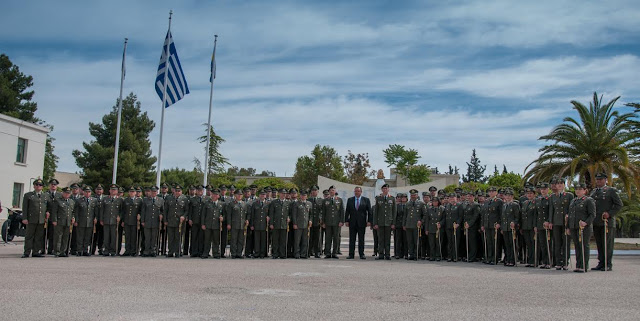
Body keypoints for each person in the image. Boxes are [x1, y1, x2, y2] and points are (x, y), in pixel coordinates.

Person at [590, 172, 623, 271]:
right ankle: (601, 263)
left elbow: (619, 204)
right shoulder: (593, 192)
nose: (599, 181)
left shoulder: (611, 191)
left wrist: (610, 213)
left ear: (605, 180)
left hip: (607, 222)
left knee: (607, 244)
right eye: (597, 179)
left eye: (601, 179)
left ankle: (608, 264)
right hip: (596, 222)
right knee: (599, 244)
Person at [567, 183, 596, 273]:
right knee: (577, 246)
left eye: (580, 189)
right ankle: (578, 265)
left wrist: (586, 222)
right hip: (574, 227)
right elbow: (570, 215)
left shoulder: (588, 200)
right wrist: (568, 227)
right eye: (576, 189)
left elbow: (592, 214)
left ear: (584, 190)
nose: (578, 191)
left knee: (583, 245)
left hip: (584, 227)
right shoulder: (573, 201)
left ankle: (584, 265)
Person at [21, 179, 49, 258]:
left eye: (40, 185)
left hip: (41, 219)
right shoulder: (28, 195)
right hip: (31, 219)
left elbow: (48, 207)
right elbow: (25, 207)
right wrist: (24, 218)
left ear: (42, 187)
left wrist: (48, 212)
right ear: (34, 186)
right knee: (29, 236)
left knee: (38, 237)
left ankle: (36, 252)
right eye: (36, 185)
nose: (38, 186)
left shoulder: (45, 196)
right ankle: (27, 252)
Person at [550, 177, 574, 270]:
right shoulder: (553, 196)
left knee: (566, 243)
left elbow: (571, 208)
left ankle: (565, 262)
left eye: (561, 183)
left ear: (564, 185)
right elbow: (552, 210)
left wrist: (569, 218)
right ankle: (558, 262)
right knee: (557, 243)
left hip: (565, 222)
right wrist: (551, 221)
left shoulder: (569, 195)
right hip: (556, 222)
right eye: (558, 183)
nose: (559, 185)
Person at [344, 186, 371, 260]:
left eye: (358, 191)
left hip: (362, 223)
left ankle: (361, 254)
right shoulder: (350, 200)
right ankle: (351, 254)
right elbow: (347, 211)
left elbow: (369, 211)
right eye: (355, 191)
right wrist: (346, 220)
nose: (357, 192)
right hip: (352, 222)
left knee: (361, 239)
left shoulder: (366, 200)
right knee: (352, 239)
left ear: (361, 192)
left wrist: (369, 221)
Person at [373, 184, 396, 260]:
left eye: (386, 188)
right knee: (380, 239)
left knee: (387, 239)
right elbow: (376, 212)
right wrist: (375, 223)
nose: (385, 190)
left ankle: (387, 254)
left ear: (388, 189)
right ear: (382, 190)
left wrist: (393, 223)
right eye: (383, 189)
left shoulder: (392, 199)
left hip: (388, 222)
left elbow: (394, 212)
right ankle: (381, 254)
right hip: (380, 222)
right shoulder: (379, 199)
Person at [51, 187, 75, 257]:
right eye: (66, 193)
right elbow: (54, 211)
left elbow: (73, 211)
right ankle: (57, 251)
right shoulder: (58, 201)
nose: (67, 194)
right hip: (59, 221)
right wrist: (54, 220)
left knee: (65, 237)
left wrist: (73, 217)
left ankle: (63, 251)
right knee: (58, 237)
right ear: (63, 193)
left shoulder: (71, 201)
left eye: (68, 193)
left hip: (68, 222)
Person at [321, 185, 344, 259]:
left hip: (337, 222)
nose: (332, 191)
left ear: (335, 191)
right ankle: (327, 253)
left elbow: (342, 211)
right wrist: (323, 222)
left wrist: (341, 221)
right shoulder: (325, 200)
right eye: (330, 190)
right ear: (329, 191)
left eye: (333, 190)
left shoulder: (339, 200)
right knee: (328, 238)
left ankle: (334, 253)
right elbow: (323, 212)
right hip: (328, 222)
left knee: (336, 238)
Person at [74, 186, 98, 256]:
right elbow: (76, 212)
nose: (87, 193)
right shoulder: (79, 200)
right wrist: (76, 220)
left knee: (87, 237)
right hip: (81, 221)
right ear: (83, 192)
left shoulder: (94, 200)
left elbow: (96, 211)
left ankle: (85, 250)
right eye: (86, 192)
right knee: (80, 237)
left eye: (89, 192)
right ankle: (79, 250)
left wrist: (96, 218)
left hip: (90, 222)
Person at [225, 189, 249, 259]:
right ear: (235, 195)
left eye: (241, 194)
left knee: (241, 240)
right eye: (238, 194)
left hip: (242, 225)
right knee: (234, 239)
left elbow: (247, 213)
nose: (239, 196)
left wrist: (247, 220)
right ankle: (233, 253)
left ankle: (239, 253)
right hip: (234, 224)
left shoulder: (244, 204)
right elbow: (229, 215)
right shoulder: (231, 204)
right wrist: (229, 223)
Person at [140, 186, 164, 257]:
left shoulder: (160, 200)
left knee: (154, 237)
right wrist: (142, 221)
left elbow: (163, 210)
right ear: (150, 192)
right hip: (147, 221)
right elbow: (143, 211)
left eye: (155, 192)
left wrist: (161, 215)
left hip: (155, 222)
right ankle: (146, 251)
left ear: (157, 192)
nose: (154, 193)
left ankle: (153, 251)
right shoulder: (146, 200)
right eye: (153, 192)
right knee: (147, 237)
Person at [201, 188, 224, 259]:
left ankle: (216, 253)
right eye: (213, 194)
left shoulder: (222, 204)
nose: (214, 196)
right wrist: (203, 224)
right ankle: (205, 253)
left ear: (219, 196)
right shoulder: (207, 203)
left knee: (216, 240)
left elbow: (225, 214)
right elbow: (203, 214)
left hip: (216, 225)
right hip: (208, 224)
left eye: (216, 194)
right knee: (207, 240)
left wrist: (223, 218)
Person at [482, 187, 502, 265]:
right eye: (490, 191)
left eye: (493, 191)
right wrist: (483, 224)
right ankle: (489, 257)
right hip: (487, 224)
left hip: (494, 225)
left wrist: (499, 223)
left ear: (496, 193)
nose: (491, 193)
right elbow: (484, 214)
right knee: (489, 242)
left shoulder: (499, 201)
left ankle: (495, 258)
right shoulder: (486, 201)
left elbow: (501, 213)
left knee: (495, 242)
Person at [100, 184, 122, 256]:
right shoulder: (105, 199)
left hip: (115, 221)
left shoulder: (120, 200)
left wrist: (120, 217)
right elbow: (102, 210)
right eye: (112, 190)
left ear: (117, 191)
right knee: (106, 237)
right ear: (109, 190)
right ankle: (106, 250)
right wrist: (101, 219)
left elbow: (122, 211)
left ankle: (113, 251)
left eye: (115, 190)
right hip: (106, 220)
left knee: (114, 237)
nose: (113, 191)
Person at [403, 189, 425, 261]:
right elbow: (405, 215)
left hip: (417, 225)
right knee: (410, 241)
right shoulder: (407, 204)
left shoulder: (421, 204)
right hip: (409, 225)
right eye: (412, 195)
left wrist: (421, 221)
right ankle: (411, 254)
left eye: (414, 195)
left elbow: (424, 215)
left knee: (416, 241)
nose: (413, 196)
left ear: (417, 195)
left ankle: (416, 255)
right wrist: (404, 224)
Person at [500, 189, 520, 267]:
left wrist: (514, 223)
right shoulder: (504, 205)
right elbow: (502, 218)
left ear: (512, 196)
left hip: (512, 228)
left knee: (513, 244)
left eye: (509, 195)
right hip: (505, 227)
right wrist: (502, 227)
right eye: (506, 195)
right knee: (507, 244)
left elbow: (517, 217)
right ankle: (508, 259)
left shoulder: (515, 205)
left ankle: (513, 259)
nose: (507, 197)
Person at [268, 188, 290, 259]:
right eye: (282, 193)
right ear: (279, 194)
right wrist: (271, 223)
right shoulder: (274, 202)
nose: (283, 195)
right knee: (275, 240)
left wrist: (290, 218)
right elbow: (271, 213)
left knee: (283, 240)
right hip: (275, 223)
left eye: (284, 194)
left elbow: (290, 213)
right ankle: (275, 254)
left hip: (284, 224)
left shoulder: (288, 202)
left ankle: (282, 254)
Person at [291, 189, 312, 259]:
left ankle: (303, 253)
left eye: (305, 195)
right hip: (298, 225)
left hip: (306, 225)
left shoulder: (309, 203)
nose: (303, 196)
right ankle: (296, 253)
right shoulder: (296, 203)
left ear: (307, 196)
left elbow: (310, 214)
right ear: (300, 196)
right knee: (297, 240)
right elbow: (294, 214)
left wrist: (310, 220)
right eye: (302, 195)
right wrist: (294, 223)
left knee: (305, 240)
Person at [536, 182, 552, 269]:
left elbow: (551, 211)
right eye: (541, 189)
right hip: (540, 224)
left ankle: (549, 261)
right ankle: (544, 261)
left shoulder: (550, 199)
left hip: (547, 225)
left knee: (548, 244)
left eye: (545, 189)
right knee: (542, 244)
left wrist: (549, 221)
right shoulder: (538, 200)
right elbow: (537, 214)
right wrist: (536, 225)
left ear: (548, 189)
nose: (543, 191)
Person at [250, 189, 270, 259]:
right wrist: (252, 225)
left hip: (265, 225)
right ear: (259, 195)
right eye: (261, 194)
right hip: (257, 225)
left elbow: (270, 214)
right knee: (256, 240)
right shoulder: (255, 204)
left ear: (265, 196)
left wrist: (269, 219)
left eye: (264, 195)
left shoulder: (268, 204)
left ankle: (262, 253)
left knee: (264, 240)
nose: (262, 196)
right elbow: (252, 215)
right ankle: (257, 253)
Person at [187, 185, 206, 257]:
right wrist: (190, 219)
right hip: (194, 221)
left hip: (202, 221)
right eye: (198, 191)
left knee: (201, 237)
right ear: (196, 191)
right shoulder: (193, 200)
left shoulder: (205, 199)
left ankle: (200, 251)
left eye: (201, 191)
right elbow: (190, 210)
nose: (200, 192)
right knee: (194, 237)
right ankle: (194, 252)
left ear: (203, 191)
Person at [520, 187, 537, 267]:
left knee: (534, 244)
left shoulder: (537, 202)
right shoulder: (525, 203)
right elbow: (522, 215)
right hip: (525, 226)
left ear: (534, 194)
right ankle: (530, 260)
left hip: (533, 226)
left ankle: (535, 260)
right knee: (528, 244)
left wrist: (535, 225)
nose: (529, 195)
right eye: (528, 193)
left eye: (531, 193)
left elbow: (536, 215)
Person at [462, 191, 481, 262]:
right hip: (466, 226)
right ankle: (468, 255)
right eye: (468, 196)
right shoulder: (466, 205)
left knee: (473, 243)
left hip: (473, 226)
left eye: (470, 196)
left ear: (473, 197)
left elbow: (475, 216)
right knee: (468, 242)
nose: (469, 197)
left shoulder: (476, 205)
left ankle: (472, 257)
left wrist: (469, 224)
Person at [444, 193, 463, 262]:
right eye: (450, 198)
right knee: (449, 242)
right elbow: (445, 216)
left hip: (456, 226)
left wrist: (458, 223)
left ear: (456, 198)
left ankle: (455, 256)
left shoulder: (459, 205)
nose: (452, 199)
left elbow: (461, 216)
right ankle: (450, 256)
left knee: (455, 241)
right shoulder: (447, 206)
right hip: (448, 226)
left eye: (453, 198)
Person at [426, 197, 445, 261]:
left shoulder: (442, 209)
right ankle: (432, 256)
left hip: (439, 228)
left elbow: (444, 218)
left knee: (438, 243)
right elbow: (427, 220)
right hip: (431, 228)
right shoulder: (429, 209)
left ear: (438, 202)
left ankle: (438, 256)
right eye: (433, 201)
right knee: (431, 244)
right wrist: (426, 229)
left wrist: (441, 224)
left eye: (436, 201)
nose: (435, 203)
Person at [308, 186, 324, 258]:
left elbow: (322, 211)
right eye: (313, 190)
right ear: (311, 192)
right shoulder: (308, 200)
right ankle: (309, 252)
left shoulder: (321, 200)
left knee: (317, 238)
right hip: (310, 223)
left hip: (317, 222)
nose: (314, 192)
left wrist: (321, 218)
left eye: (316, 190)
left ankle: (317, 252)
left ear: (318, 192)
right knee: (309, 237)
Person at [394, 193, 407, 259]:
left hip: (406, 225)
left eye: (405, 197)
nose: (403, 198)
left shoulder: (408, 205)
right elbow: (395, 216)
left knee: (405, 240)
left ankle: (405, 254)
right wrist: (394, 224)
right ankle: (398, 254)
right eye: (402, 197)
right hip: (398, 224)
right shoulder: (397, 206)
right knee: (398, 240)